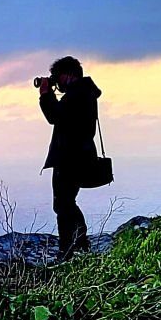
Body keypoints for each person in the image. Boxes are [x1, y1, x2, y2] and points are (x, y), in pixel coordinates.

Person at [39, 56, 101, 259]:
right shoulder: (84, 94)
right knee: (68, 202)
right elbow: (61, 115)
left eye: (58, 77)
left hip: (70, 158)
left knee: (63, 205)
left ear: (71, 75)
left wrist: (45, 94)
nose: (56, 82)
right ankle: (80, 244)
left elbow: (53, 116)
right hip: (78, 155)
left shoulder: (76, 95)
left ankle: (67, 250)